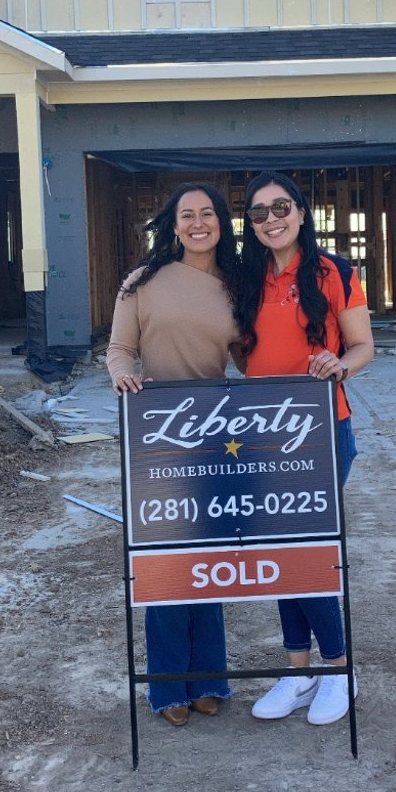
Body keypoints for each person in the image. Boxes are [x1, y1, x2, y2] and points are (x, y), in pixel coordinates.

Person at [237, 170, 374, 725]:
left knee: (305, 551)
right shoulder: (243, 279)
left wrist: (340, 364)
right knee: (280, 550)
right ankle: (298, 672)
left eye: (281, 207)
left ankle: (339, 669)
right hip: (260, 433)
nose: (272, 219)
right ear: (250, 223)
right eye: (259, 212)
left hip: (320, 432)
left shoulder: (334, 272)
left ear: (300, 211)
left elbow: (363, 346)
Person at [106, 183, 241, 727]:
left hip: (216, 433)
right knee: (165, 563)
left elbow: (250, 357)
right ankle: (167, 688)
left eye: (208, 214)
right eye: (188, 215)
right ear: (174, 224)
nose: (198, 223)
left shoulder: (237, 285)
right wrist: (123, 376)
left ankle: (208, 679)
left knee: (207, 562)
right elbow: (120, 350)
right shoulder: (142, 282)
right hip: (157, 430)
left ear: (221, 223)